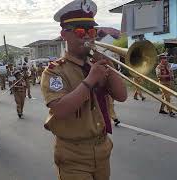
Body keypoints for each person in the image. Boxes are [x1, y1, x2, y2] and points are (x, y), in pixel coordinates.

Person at [40, 0, 127, 179]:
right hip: (73, 154)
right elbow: (60, 109)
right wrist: (91, 79)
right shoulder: (55, 71)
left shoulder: (96, 65)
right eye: (80, 31)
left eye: (91, 31)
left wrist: (111, 69)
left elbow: (122, 96)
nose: (87, 37)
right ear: (64, 34)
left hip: (102, 149)